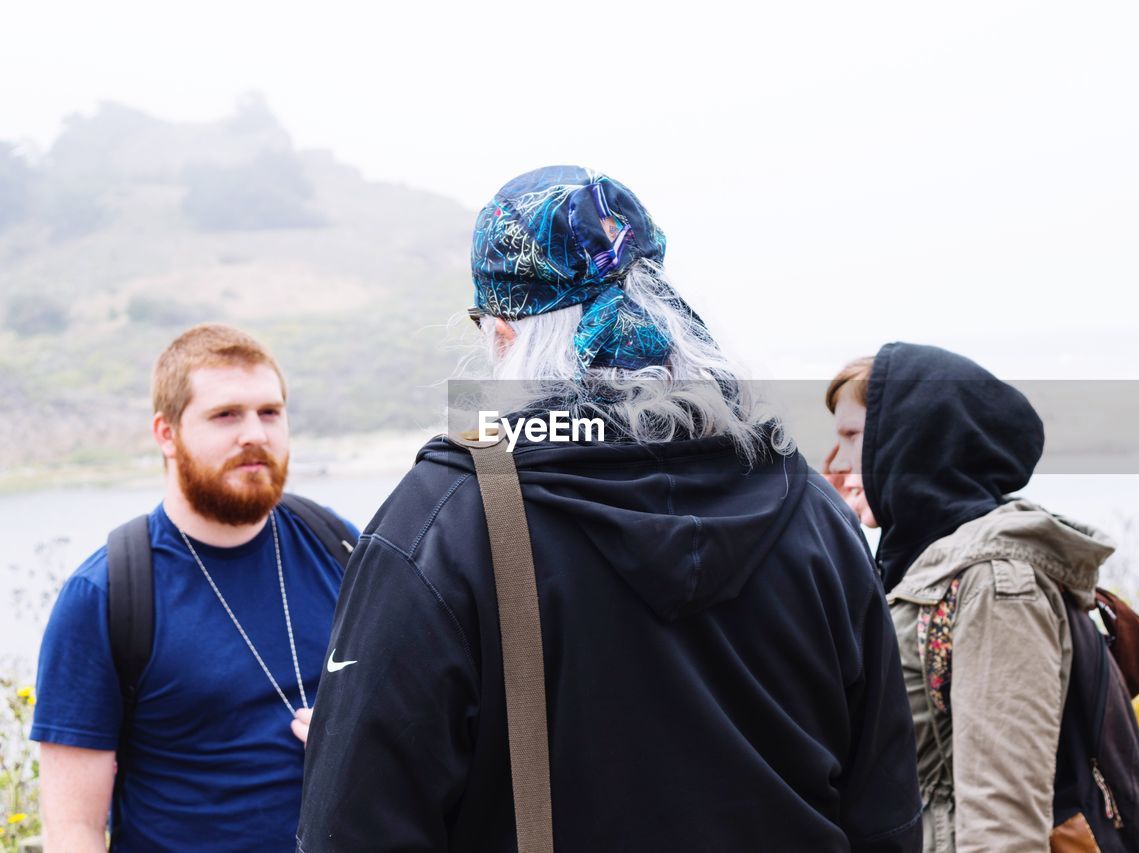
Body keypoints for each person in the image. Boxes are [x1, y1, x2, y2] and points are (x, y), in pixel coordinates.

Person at [297, 166, 923, 852]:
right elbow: (886, 817)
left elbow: (352, 830)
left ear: (504, 336)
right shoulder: (810, 511)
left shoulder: (443, 528)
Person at [32, 323, 358, 852]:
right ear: (166, 433)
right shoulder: (107, 594)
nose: (254, 433)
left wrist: (355, 732)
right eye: (226, 414)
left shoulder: (338, 545)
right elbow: (73, 829)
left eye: (270, 412)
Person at [824, 342, 1117, 852]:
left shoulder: (995, 583)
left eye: (852, 437)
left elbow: (1003, 822)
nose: (834, 461)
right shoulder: (916, 567)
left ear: (909, 442)